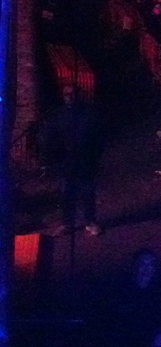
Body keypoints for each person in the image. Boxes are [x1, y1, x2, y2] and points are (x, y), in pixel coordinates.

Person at [45, 84, 103, 236]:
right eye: (66, 94)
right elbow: (52, 136)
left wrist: (94, 156)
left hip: (85, 159)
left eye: (72, 94)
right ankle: (67, 222)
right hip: (66, 160)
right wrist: (56, 157)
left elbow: (97, 136)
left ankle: (90, 221)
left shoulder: (88, 113)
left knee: (87, 192)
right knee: (67, 193)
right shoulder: (59, 115)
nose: (69, 97)